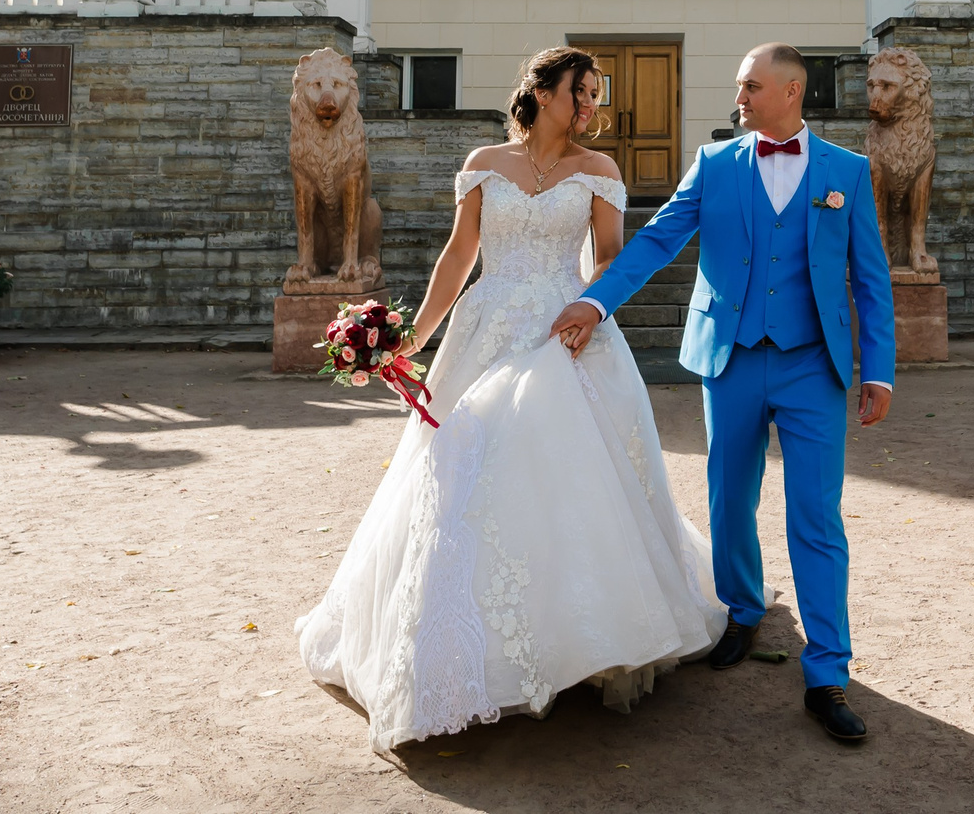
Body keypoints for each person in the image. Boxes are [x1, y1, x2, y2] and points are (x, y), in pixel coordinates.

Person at [297, 47, 724, 752]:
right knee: (461, 471)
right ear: (543, 89)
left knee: (565, 471)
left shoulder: (601, 171)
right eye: (580, 91)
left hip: (566, 330)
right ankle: (462, 648)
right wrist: (411, 340)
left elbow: (612, 256)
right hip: (487, 328)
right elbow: (459, 256)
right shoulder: (485, 162)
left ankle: (583, 638)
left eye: (595, 94)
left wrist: (591, 307)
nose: (590, 104)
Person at [551, 42, 896, 744]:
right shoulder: (714, 165)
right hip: (730, 357)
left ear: (791, 91)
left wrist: (879, 368)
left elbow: (870, 275)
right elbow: (654, 242)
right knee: (728, 495)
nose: (738, 99)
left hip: (813, 366)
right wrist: (595, 302)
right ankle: (741, 607)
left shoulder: (847, 172)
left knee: (816, 514)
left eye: (750, 87)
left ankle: (828, 670)